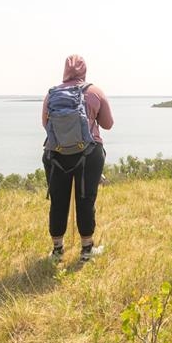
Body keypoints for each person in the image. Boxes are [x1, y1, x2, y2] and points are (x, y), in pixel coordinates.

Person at [42, 54, 114, 262]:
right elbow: (108, 124)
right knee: (85, 199)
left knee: (58, 201)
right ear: (85, 71)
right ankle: (87, 250)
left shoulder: (52, 94)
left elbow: (45, 124)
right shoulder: (95, 92)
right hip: (88, 154)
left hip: (56, 154)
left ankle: (57, 251)